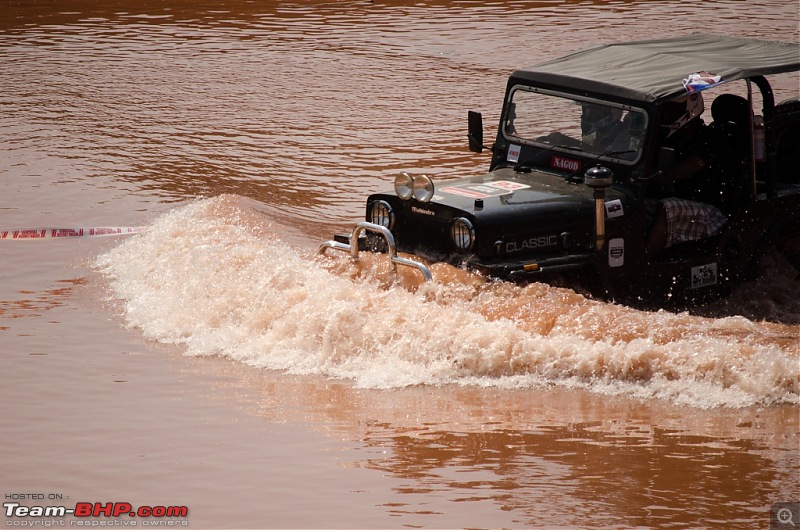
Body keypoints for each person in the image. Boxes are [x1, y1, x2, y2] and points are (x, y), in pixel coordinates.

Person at [646, 93, 729, 256]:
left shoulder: (711, 138)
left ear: (689, 107)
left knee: (667, 208)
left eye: (671, 108)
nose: (665, 113)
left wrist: (645, 175)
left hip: (711, 212)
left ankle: (640, 264)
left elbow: (680, 171)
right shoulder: (670, 138)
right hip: (679, 203)